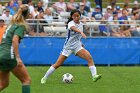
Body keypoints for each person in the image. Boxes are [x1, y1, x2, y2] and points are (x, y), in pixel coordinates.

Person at [41, 9, 101, 84]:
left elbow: (77, 37)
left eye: (78, 16)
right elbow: (73, 28)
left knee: (89, 58)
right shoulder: (70, 23)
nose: (76, 17)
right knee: (57, 64)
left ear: (80, 16)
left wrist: (80, 42)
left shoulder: (81, 25)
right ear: (72, 17)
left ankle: (94, 76)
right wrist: (80, 32)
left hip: (77, 47)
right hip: (68, 47)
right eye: (74, 16)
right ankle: (44, 77)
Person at [0, 4, 31, 93]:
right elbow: (15, 39)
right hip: (9, 56)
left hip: (1, 54)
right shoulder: (21, 25)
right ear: (27, 15)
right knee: (26, 80)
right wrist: (17, 57)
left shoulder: (11, 25)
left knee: (3, 84)